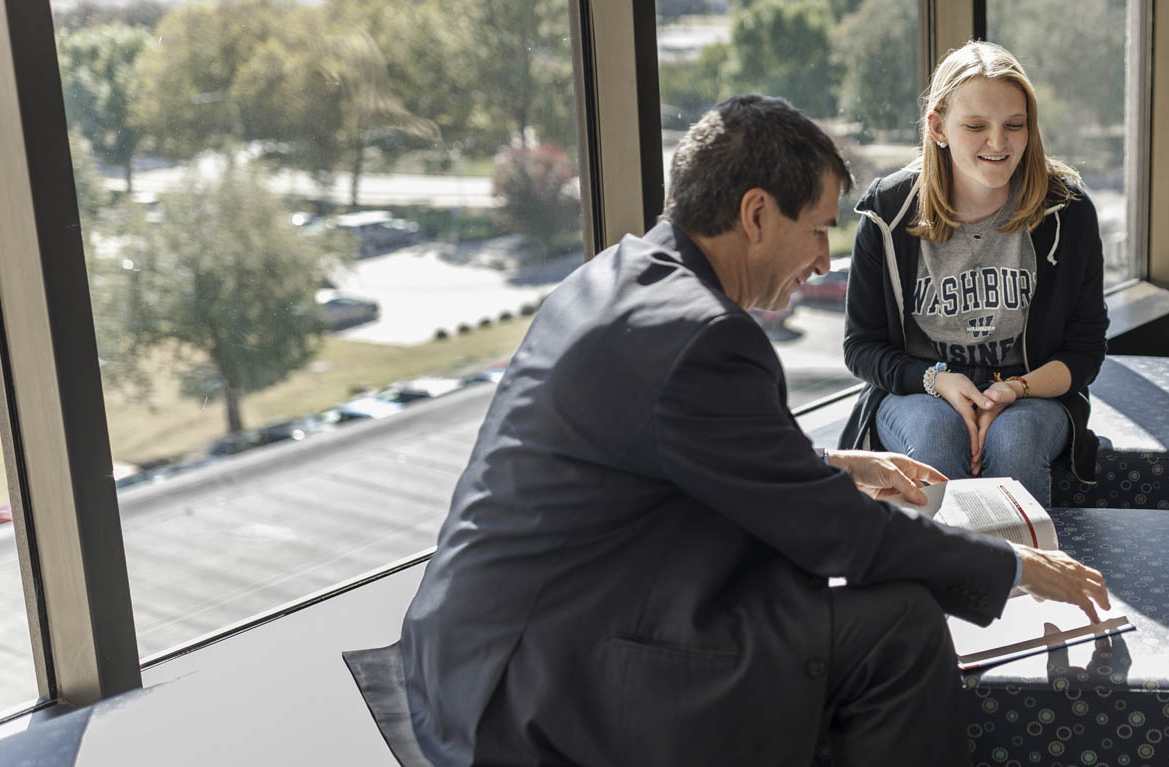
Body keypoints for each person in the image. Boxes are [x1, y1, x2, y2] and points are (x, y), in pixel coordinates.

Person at [398, 95, 1111, 767]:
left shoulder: (616, 276)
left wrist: (835, 461)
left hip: (474, 652)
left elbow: (669, 445)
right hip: (544, 687)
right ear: (756, 213)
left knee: (812, 602)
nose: (823, 262)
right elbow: (839, 534)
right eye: (818, 228)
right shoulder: (704, 336)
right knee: (898, 625)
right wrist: (1015, 566)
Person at [838, 41, 1109, 508]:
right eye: (976, 126)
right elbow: (860, 346)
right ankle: (938, 580)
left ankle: (1031, 579)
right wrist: (936, 380)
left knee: (1017, 438)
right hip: (921, 390)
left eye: (1014, 125)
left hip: (1030, 391)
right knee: (937, 437)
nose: (999, 143)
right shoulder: (888, 211)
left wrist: (1014, 389)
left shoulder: (1068, 210)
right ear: (938, 127)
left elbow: (1085, 349)